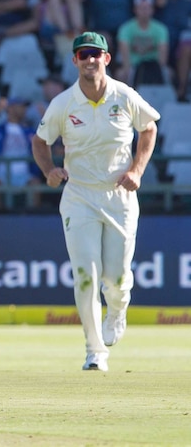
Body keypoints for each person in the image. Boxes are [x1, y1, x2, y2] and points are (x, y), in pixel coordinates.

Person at [31, 31, 159, 372]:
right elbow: (41, 141)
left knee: (115, 280)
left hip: (120, 195)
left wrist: (137, 170)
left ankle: (117, 309)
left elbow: (148, 128)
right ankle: (94, 349)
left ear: (106, 58)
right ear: (75, 61)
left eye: (95, 54)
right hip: (79, 196)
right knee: (85, 275)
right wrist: (49, 171)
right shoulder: (63, 103)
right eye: (83, 54)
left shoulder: (124, 95)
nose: (90, 60)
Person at [0, 95, 43, 210]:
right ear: (11, 108)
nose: (24, 110)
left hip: (24, 174)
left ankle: (33, 221)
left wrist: (47, 119)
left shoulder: (29, 131)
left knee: (35, 183)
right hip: (2, 173)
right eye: (21, 106)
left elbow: (48, 141)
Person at [115, 0, 169, 86]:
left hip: (153, 66)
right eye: (141, 8)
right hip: (133, 65)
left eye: (147, 8)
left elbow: (163, 57)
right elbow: (124, 54)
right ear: (135, 10)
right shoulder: (125, 28)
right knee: (121, 74)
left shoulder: (161, 29)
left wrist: (158, 70)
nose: (144, 11)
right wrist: (128, 70)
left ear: (152, 10)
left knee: (168, 73)